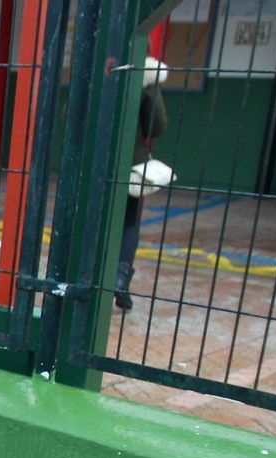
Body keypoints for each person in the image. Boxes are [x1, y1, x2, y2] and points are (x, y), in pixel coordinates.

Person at [115, 57, 168, 311]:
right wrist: (150, 87)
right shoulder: (143, 75)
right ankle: (120, 278)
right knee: (128, 221)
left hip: (92, 162)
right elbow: (156, 126)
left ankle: (87, 277)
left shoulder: (96, 65)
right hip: (128, 162)